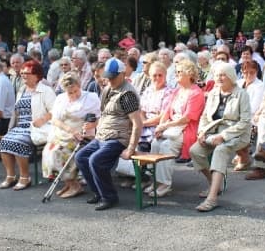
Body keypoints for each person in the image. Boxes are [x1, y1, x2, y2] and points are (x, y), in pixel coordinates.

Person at [75, 58, 143, 210]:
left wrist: (131, 148)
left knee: (95, 160)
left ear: (122, 74)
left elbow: (137, 124)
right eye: (108, 76)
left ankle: (109, 197)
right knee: (81, 157)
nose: (109, 79)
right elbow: (104, 114)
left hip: (118, 138)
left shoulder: (128, 94)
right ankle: (98, 192)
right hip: (102, 136)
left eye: (113, 76)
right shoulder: (107, 89)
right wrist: (94, 125)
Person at [190, 62, 252, 212]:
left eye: (223, 75)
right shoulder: (213, 92)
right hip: (213, 132)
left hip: (236, 134)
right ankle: (214, 185)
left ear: (231, 76)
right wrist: (202, 132)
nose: (220, 78)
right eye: (217, 75)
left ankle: (212, 199)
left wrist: (223, 136)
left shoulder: (241, 94)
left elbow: (244, 122)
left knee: (220, 150)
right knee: (195, 151)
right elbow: (205, 116)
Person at [148, 59, 204, 195]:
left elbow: (187, 118)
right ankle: (155, 181)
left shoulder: (196, 93)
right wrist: (160, 126)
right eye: (176, 72)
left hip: (186, 129)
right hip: (172, 128)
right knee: (156, 143)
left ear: (189, 74)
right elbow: (167, 111)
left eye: (179, 72)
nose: (176, 74)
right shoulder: (178, 91)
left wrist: (166, 125)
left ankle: (165, 184)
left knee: (167, 146)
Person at [0, 60, 55, 190]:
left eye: (27, 73)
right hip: (21, 126)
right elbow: (16, 112)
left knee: (18, 142)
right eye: (22, 73)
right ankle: (10, 176)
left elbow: (55, 110)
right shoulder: (22, 90)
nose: (23, 75)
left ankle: (25, 177)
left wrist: (42, 119)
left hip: (37, 127)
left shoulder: (45, 90)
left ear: (37, 75)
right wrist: (10, 129)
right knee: (5, 141)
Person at [42, 73, 101, 198]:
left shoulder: (91, 98)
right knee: (48, 150)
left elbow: (99, 119)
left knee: (58, 152)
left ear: (80, 86)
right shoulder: (61, 98)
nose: (73, 95)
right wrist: (70, 130)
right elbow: (55, 120)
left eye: (75, 91)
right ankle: (69, 183)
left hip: (84, 135)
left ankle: (75, 185)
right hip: (65, 133)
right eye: (70, 93)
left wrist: (91, 125)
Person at [233, 59, 265, 170]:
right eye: (245, 72)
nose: (248, 75)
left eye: (252, 72)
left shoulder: (260, 85)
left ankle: (243, 156)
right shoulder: (238, 83)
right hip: (237, 114)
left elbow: (254, 106)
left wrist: (237, 112)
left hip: (252, 116)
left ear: (256, 72)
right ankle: (241, 154)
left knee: (243, 127)